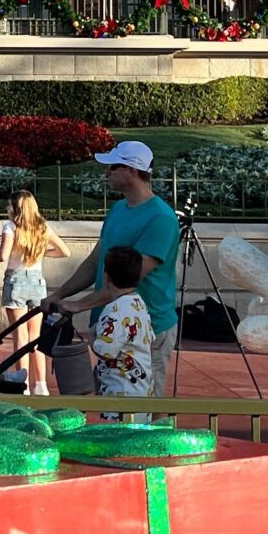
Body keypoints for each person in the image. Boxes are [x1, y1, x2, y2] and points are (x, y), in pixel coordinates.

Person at [48, 140, 182, 396]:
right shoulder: (118, 209)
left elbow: (127, 279)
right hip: (113, 325)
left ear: (131, 171)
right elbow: (94, 262)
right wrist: (59, 295)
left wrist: (79, 304)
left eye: (112, 167)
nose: (106, 173)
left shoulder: (160, 219)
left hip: (147, 329)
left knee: (145, 407)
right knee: (113, 400)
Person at [0, 190, 69, 396]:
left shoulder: (10, 227)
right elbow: (65, 251)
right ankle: (42, 384)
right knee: (35, 336)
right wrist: (42, 252)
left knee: (20, 336)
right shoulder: (42, 227)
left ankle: (23, 383)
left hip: (16, 279)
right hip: (37, 280)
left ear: (15, 208)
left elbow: (3, 255)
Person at [88, 245, 155, 402]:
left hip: (120, 391)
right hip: (142, 389)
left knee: (120, 427)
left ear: (106, 277)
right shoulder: (139, 303)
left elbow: (105, 350)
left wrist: (91, 336)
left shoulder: (114, 310)